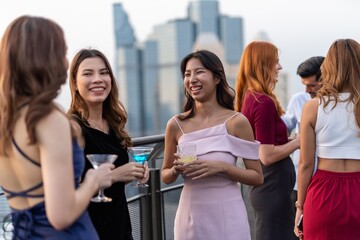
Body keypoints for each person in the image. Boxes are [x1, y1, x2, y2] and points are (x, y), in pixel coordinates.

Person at [0, 16, 114, 239]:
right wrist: (93, 181)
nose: (65, 63)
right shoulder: (48, 119)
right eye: (62, 53)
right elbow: (61, 216)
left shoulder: (6, 119)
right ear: (43, 59)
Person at [161, 50, 263, 240]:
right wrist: (175, 170)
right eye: (187, 74)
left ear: (217, 77)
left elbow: (257, 177)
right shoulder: (176, 124)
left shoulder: (236, 122)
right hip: (190, 217)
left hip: (228, 215)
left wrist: (222, 167)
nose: (192, 79)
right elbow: (165, 175)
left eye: (199, 72)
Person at [67, 48, 148, 240]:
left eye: (104, 73)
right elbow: (66, 195)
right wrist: (116, 175)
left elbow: (112, 176)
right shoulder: (72, 128)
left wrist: (133, 172)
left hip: (119, 228)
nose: (98, 79)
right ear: (75, 84)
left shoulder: (111, 124)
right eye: (88, 73)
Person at [295, 38, 360, 239]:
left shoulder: (313, 107)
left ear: (328, 67)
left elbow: (306, 164)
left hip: (323, 192)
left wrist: (300, 206)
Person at [234, 41, 300, 240]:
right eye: (275, 62)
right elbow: (266, 155)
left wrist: (286, 140)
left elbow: (262, 141)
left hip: (270, 187)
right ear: (262, 64)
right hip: (272, 186)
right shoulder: (262, 102)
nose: (279, 67)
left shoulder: (250, 97)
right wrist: (298, 142)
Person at [281, 56, 324, 205]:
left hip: (327, 179)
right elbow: (284, 127)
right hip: (300, 181)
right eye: (304, 85)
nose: (307, 90)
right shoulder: (298, 99)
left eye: (312, 85)